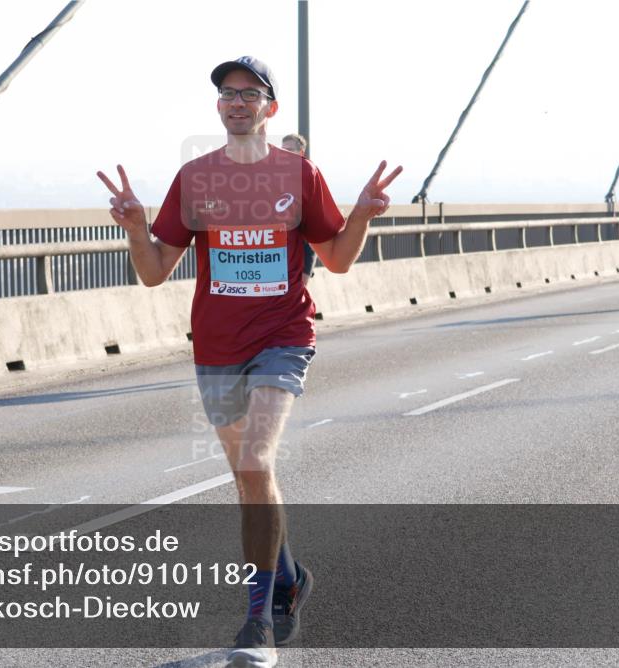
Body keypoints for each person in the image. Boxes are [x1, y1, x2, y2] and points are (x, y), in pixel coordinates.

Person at [97, 56, 401, 668]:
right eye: (226, 94)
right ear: (218, 108)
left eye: (249, 94)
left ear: (271, 108)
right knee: (247, 478)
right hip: (215, 344)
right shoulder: (195, 178)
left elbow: (336, 260)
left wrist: (363, 214)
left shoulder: (299, 174)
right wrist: (134, 226)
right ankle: (288, 577)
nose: (236, 102)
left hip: (283, 336)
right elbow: (155, 272)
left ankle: (257, 619)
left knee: (259, 460)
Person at [280, 133, 317, 287]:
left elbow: (313, 234)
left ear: (301, 153)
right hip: (277, 261)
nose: (284, 154)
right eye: (282, 150)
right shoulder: (274, 178)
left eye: (289, 150)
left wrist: (306, 271)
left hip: (301, 261)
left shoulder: (309, 179)